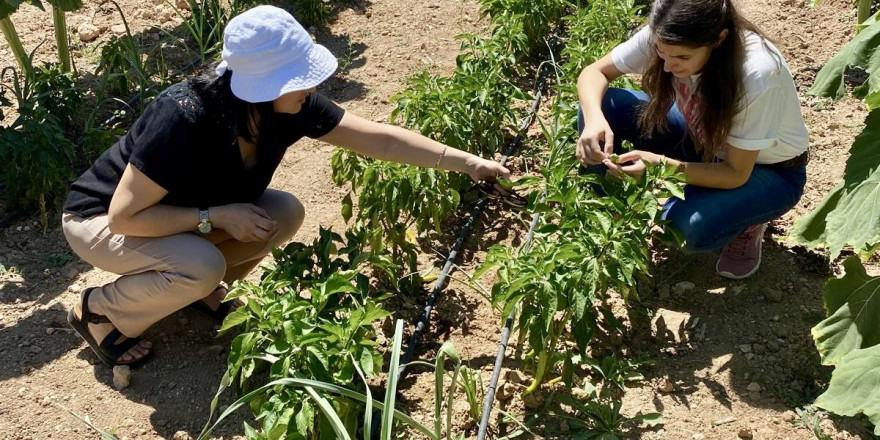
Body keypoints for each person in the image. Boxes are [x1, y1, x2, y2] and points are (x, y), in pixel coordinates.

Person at [62, 5, 509, 367]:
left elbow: (380, 138)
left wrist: (467, 163)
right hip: (103, 222)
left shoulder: (286, 107)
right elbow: (125, 217)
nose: (312, 85)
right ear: (260, 84)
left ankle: (195, 292)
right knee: (199, 264)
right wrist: (215, 216)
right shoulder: (184, 116)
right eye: (298, 77)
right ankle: (100, 312)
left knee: (283, 214)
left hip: (178, 217)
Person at [575, 0, 808, 280]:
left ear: (719, 40)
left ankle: (747, 223)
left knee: (687, 227)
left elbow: (735, 172)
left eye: (682, 58)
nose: (668, 66)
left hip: (768, 171)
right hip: (703, 141)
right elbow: (594, 72)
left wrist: (661, 167)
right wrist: (594, 119)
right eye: (661, 53)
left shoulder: (756, 72)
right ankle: (603, 216)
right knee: (606, 105)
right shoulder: (668, 35)